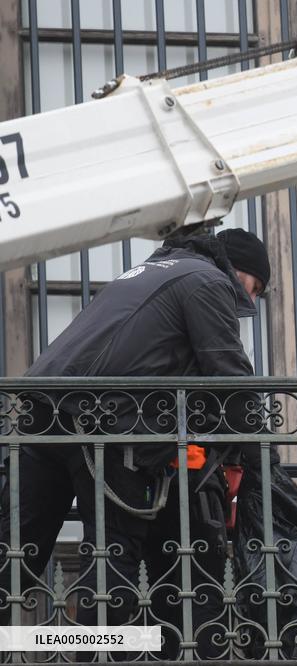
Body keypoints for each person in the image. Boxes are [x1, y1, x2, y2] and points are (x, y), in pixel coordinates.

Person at [0, 227, 269, 657]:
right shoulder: (208, 281)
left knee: (15, 559)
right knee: (112, 569)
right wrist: (263, 461)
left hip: (43, 410)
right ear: (239, 273)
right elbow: (231, 379)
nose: (251, 302)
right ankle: (92, 654)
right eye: (255, 289)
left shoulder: (145, 271)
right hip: (106, 422)